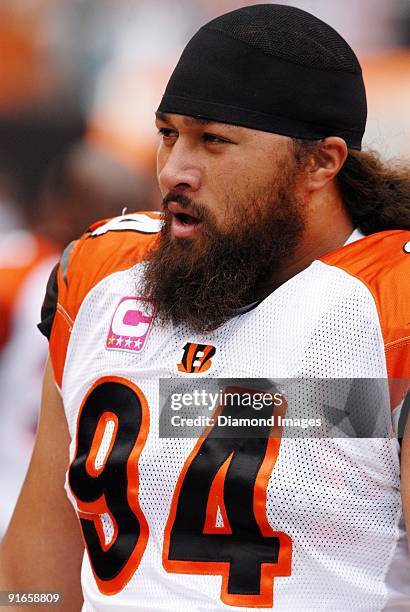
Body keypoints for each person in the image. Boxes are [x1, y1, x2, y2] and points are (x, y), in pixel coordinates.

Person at [1, 4, 410, 611]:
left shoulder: (387, 307)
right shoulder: (100, 278)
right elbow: (34, 585)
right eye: (169, 134)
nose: (174, 172)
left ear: (322, 161)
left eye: (214, 141)